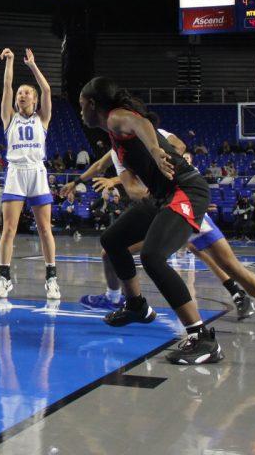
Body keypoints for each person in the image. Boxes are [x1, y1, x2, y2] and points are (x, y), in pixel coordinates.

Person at [80, 121, 255, 341]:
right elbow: (130, 188)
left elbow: (178, 146)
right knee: (115, 250)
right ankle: (126, 300)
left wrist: (161, 162)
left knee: (230, 265)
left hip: (185, 205)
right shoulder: (119, 154)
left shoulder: (151, 134)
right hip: (163, 209)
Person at [79, 77, 221, 365]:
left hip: (186, 190)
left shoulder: (117, 118)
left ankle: (202, 338)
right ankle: (136, 306)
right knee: (112, 241)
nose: (81, 112)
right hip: (161, 195)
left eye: (82, 106)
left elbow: (140, 123)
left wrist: (156, 149)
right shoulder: (111, 132)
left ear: (93, 104)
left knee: (153, 257)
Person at [0, 48, 59, 300]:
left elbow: (48, 90)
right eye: (20, 93)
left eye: (27, 93)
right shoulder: (8, 117)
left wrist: (32, 65)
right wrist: (10, 61)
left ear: (34, 99)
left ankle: (51, 279)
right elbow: (7, 86)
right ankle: (4, 278)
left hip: (37, 173)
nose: (22, 95)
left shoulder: (42, 118)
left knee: (44, 228)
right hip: (15, 173)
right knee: (8, 229)